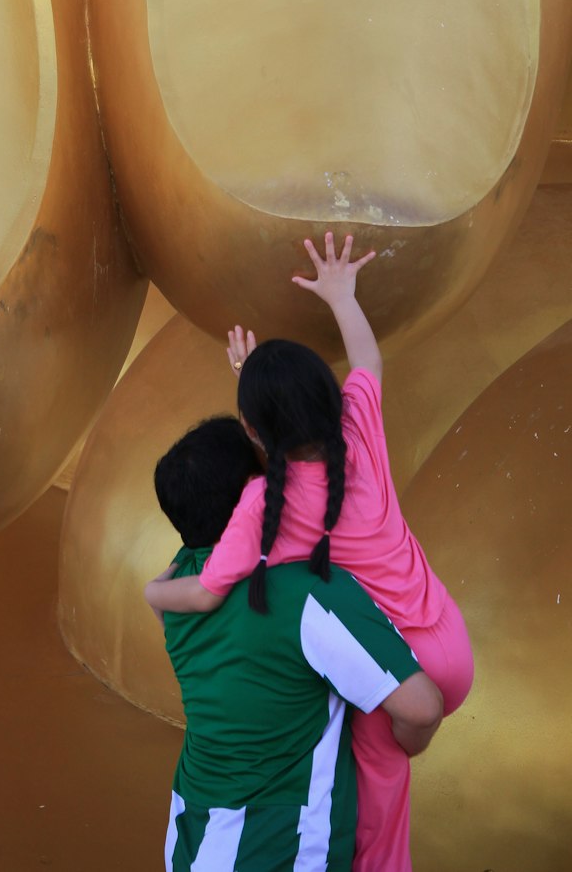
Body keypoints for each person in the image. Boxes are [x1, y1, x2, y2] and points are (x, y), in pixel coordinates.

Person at [145, 233, 474, 872]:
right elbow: (367, 364)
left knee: (378, 817)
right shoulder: (359, 431)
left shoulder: (266, 504)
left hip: (396, 662)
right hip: (447, 637)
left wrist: (157, 592)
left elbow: (212, 587)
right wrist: (341, 295)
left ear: (253, 437)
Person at [152, 416, 443, 872]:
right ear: (256, 489)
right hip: (278, 848)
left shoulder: (180, 583)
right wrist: (396, 750)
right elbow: (422, 707)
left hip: (191, 837)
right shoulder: (305, 594)